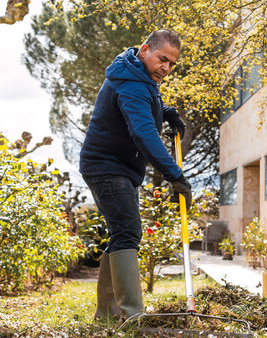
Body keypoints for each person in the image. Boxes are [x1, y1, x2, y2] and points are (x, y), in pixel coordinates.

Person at [79, 29, 192, 321]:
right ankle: (132, 316)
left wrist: (166, 112)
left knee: (122, 233)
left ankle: (108, 314)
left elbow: (144, 108)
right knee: (128, 232)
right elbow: (143, 132)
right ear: (145, 50)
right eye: (162, 59)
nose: (166, 68)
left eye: (172, 63)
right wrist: (174, 175)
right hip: (106, 166)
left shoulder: (138, 75)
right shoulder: (131, 82)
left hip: (117, 167)